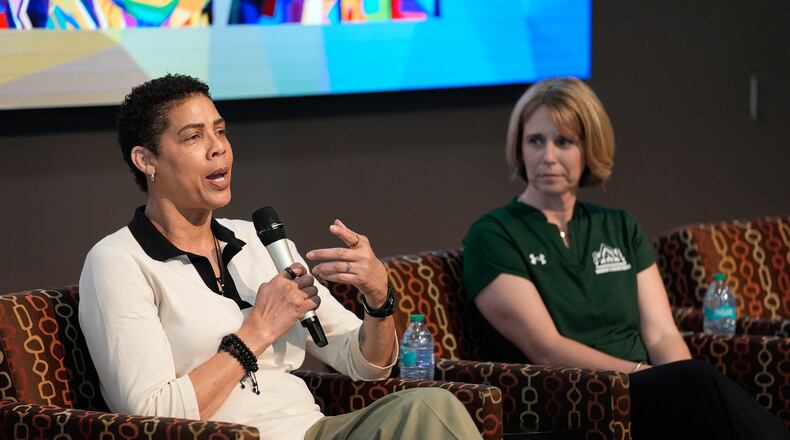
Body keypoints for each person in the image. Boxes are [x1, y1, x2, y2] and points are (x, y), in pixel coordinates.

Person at [78, 74, 481, 440]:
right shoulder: (117, 262)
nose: (218, 148)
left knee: (431, 406)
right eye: (193, 137)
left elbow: (364, 363)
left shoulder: (254, 238)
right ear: (146, 160)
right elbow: (146, 416)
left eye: (220, 131)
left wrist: (379, 299)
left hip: (311, 429)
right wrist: (256, 332)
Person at [462, 77, 788, 439]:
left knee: (696, 385)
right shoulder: (493, 234)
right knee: (697, 384)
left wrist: (676, 383)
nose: (548, 156)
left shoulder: (619, 226)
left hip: (644, 389)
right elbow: (546, 348)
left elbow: (662, 334)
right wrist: (647, 376)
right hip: (570, 397)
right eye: (535, 141)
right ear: (519, 148)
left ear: (589, 149)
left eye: (564, 142)